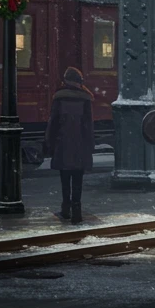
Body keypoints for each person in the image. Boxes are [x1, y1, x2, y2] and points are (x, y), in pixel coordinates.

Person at [44, 67, 95, 223]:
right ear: (79, 81)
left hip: (63, 144)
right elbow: (88, 125)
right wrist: (89, 145)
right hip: (80, 146)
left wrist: (50, 143)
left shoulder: (59, 98)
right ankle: (77, 211)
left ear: (66, 80)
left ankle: (66, 209)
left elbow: (53, 123)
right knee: (78, 179)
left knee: (65, 178)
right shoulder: (86, 99)